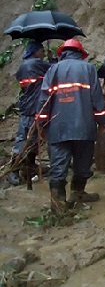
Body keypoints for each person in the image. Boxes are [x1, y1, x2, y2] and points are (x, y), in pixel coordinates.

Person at [37, 39, 105, 212]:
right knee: (82, 163)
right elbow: (96, 98)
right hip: (84, 126)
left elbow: (44, 100)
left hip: (58, 127)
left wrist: (41, 124)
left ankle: (58, 202)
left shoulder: (52, 70)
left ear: (62, 53)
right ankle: (78, 192)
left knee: (58, 164)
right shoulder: (88, 69)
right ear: (80, 53)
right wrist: (103, 122)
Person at [6, 41, 52, 186]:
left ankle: (28, 167)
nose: (43, 53)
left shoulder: (24, 65)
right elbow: (56, 69)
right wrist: (53, 60)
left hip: (30, 106)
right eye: (42, 51)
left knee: (33, 140)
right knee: (24, 140)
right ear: (36, 51)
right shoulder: (35, 64)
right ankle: (13, 170)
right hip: (32, 108)